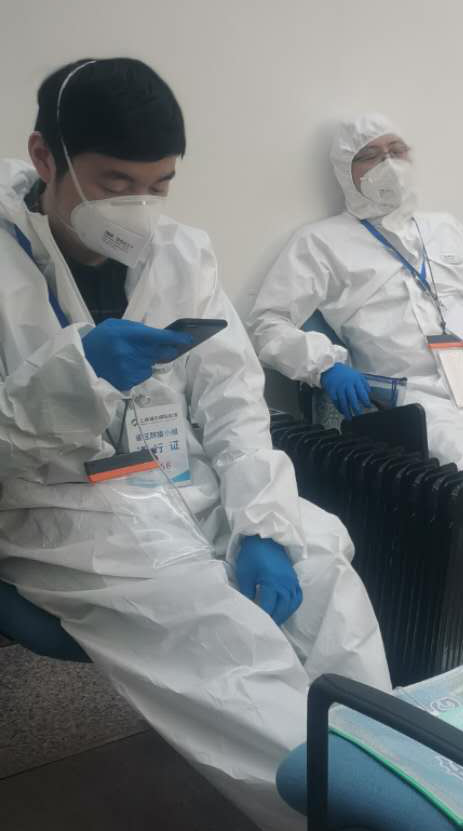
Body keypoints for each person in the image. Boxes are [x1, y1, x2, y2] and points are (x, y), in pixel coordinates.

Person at [0, 59, 390, 831]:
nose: (139, 209)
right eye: (115, 183)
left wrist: (262, 524)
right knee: (217, 629)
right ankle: (351, 816)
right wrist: (74, 378)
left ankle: (401, 775)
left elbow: (233, 400)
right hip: (63, 505)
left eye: (160, 185)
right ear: (46, 157)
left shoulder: (181, 253)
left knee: (320, 565)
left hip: (182, 475)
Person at [248, 113, 463, 659]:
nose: (388, 164)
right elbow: (268, 323)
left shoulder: (446, 229)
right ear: (346, 171)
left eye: (397, 150)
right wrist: (324, 365)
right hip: (414, 399)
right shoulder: (321, 243)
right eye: (371, 155)